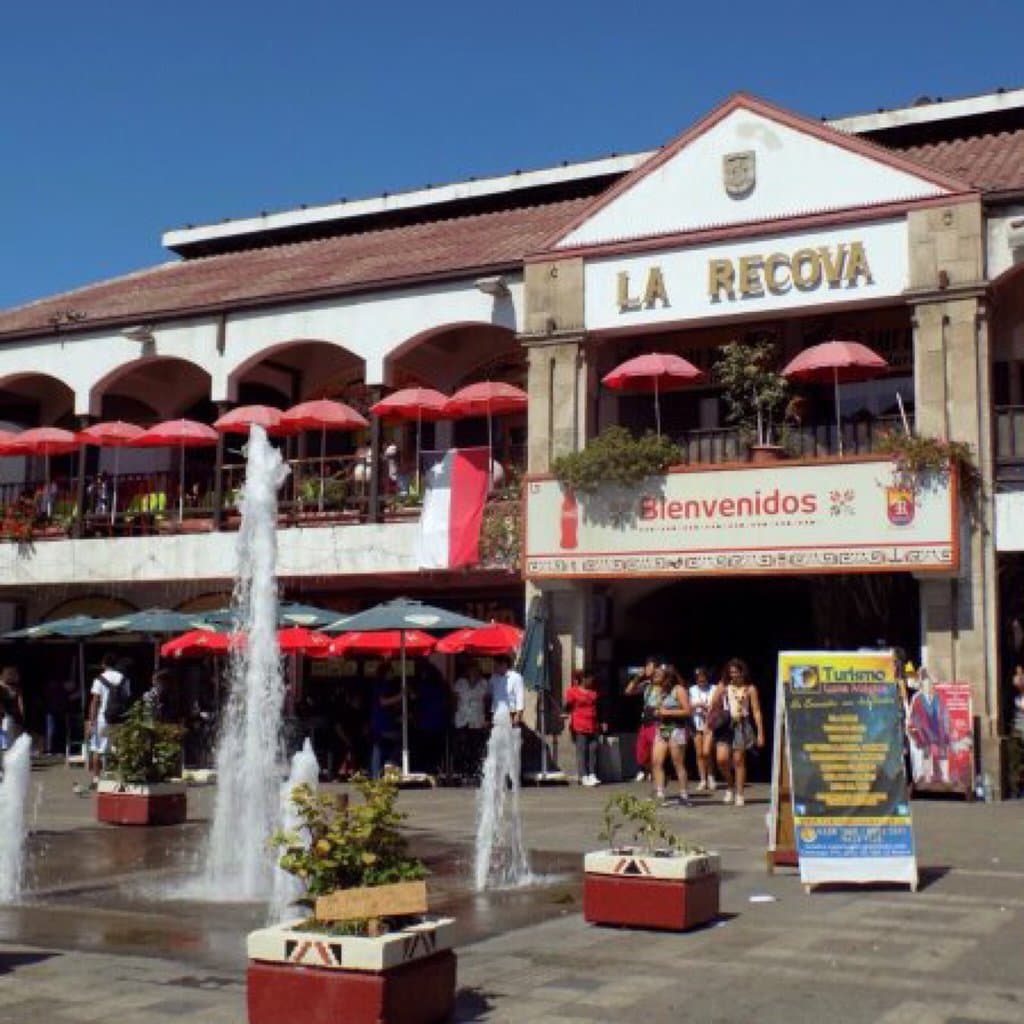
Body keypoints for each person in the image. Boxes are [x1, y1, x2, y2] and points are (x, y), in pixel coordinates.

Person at [712, 658, 765, 807]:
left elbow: (756, 711)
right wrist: (719, 693)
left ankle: (740, 793)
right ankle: (730, 786)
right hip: (725, 724)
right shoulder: (724, 685)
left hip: (742, 724)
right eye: (731, 672)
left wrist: (760, 733)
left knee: (738, 760)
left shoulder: (750, 688)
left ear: (742, 672)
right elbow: (713, 705)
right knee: (721, 760)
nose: (733, 675)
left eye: (736, 672)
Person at [647, 665, 692, 804]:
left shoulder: (678, 689)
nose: (655, 677)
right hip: (662, 727)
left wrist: (668, 712)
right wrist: (656, 712)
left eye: (659, 674)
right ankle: (660, 793)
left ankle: (684, 795)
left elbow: (687, 711)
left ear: (667, 676)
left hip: (677, 728)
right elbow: (659, 708)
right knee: (656, 761)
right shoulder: (661, 690)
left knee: (677, 763)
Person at [85, 654, 130, 785]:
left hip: (103, 719)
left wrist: (91, 720)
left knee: (97, 749)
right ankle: (120, 777)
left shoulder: (99, 679)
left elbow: (95, 701)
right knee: (120, 749)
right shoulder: (124, 679)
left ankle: (96, 778)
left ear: (103, 664)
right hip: (120, 718)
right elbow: (127, 698)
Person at [907, 670, 952, 785]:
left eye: (929, 684)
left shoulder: (939, 697)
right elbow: (913, 716)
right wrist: (917, 729)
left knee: (943, 752)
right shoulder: (917, 698)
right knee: (926, 753)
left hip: (939, 729)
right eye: (925, 684)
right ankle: (927, 777)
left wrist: (947, 729)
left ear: (932, 685)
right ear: (922, 685)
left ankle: (945, 776)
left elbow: (945, 713)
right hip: (925, 730)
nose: (927, 686)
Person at [564, 669, 606, 787]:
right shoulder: (573, 691)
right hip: (579, 724)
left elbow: (599, 708)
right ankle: (583, 776)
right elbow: (568, 706)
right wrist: (565, 711)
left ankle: (592, 774)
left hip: (593, 724)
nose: (592, 680)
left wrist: (602, 721)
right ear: (583, 679)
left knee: (593, 749)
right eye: (590, 678)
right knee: (582, 751)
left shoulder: (594, 693)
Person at [624, 656, 660, 782]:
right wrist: (638, 677)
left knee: (655, 750)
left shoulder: (663, 685)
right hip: (645, 721)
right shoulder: (646, 684)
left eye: (650, 666)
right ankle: (648, 770)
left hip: (657, 721)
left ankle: (655, 773)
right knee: (641, 751)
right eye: (647, 666)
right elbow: (628, 691)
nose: (647, 669)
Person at [452, 661, 488, 778]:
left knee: (475, 746)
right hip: (462, 719)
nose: (473, 672)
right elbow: (454, 700)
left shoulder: (484, 683)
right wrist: (453, 714)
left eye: (475, 670)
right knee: (462, 747)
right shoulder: (460, 683)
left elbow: (487, 701)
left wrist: (487, 718)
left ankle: (474, 770)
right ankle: (463, 771)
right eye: (471, 670)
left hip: (477, 719)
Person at [369, 662, 402, 779]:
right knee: (396, 743)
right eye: (391, 672)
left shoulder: (380, 685)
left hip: (379, 723)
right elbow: (383, 702)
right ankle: (388, 767)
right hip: (382, 724)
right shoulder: (382, 685)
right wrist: (400, 696)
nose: (393, 674)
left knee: (378, 747)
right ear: (386, 673)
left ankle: (376, 773)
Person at [689, 665, 717, 791]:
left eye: (703, 677)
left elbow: (719, 704)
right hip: (696, 723)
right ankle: (702, 779)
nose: (700, 680)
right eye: (698, 678)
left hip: (709, 723)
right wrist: (698, 704)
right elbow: (687, 706)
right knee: (699, 753)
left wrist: (709, 707)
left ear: (707, 677)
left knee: (707, 752)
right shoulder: (691, 690)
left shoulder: (714, 688)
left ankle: (711, 777)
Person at [488, 654, 524, 726]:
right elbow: (490, 693)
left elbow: (520, 697)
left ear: (504, 664)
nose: (494, 667)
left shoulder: (516, 677)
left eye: (496, 665)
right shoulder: (493, 677)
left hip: (510, 713)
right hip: (496, 713)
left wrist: (518, 714)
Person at [0, 666, 25, 751]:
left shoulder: (16, 688)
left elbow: (20, 702)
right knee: (5, 728)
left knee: (9, 729)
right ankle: (5, 745)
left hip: (10, 712)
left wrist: (21, 713)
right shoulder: (2, 686)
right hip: (4, 711)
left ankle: (7, 746)